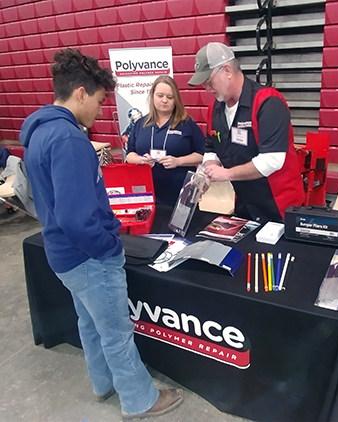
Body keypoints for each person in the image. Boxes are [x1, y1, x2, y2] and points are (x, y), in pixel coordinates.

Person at [19, 48, 183, 420]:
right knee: (116, 331)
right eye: (97, 101)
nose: (98, 111)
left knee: (90, 322)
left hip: (62, 253)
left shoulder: (39, 132)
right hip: (88, 257)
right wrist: (109, 246)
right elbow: (77, 219)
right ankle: (140, 399)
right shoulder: (68, 140)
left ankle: (103, 383)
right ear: (80, 93)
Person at [188, 42, 304, 223]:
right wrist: (207, 174)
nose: (207, 88)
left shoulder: (268, 103)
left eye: (208, 81)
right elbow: (211, 149)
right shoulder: (214, 109)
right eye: (203, 84)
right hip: (245, 205)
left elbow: (272, 160)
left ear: (227, 71)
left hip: (279, 207)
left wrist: (226, 174)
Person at [126, 75, 204, 207]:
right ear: (152, 96)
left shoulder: (186, 124)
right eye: (160, 95)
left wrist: (178, 161)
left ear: (176, 100)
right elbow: (129, 155)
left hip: (180, 192)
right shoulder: (140, 124)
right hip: (147, 193)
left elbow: (202, 155)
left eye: (170, 97)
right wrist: (140, 160)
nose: (164, 100)